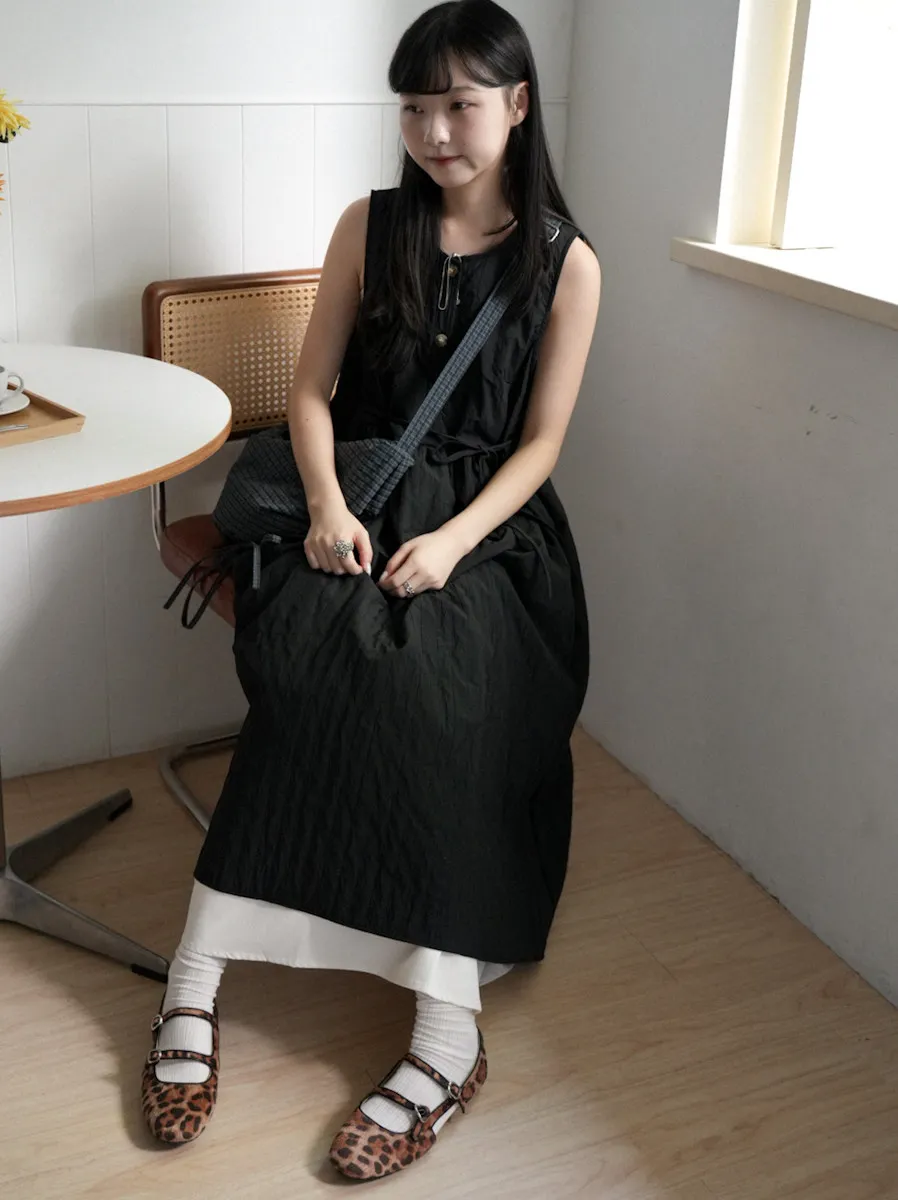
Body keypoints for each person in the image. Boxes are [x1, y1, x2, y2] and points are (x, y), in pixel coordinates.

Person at [140, 0, 601, 1181]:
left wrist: (449, 543)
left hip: (489, 531)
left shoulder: (565, 263)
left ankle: (447, 1036)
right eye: (414, 106)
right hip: (348, 498)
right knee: (313, 667)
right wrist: (328, 507)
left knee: (436, 693)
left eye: (459, 103)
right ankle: (196, 971)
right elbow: (309, 392)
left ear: (516, 104)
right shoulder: (369, 225)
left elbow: (542, 446)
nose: (435, 130)